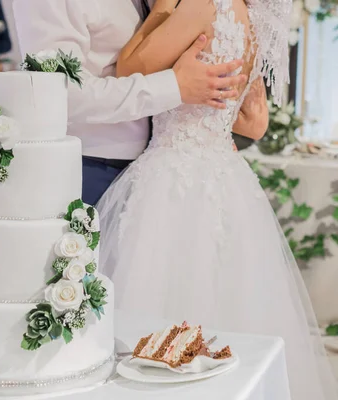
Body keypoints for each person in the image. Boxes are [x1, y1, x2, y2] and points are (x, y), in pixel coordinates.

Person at [94, 0, 337, 398]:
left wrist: (159, 13)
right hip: (225, 171)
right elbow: (254, 123)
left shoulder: (197, 5)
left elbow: (126, 72)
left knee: (158, 312)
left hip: (175, 175)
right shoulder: (247, 14)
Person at [14, 0, 245, 206]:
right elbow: (63, 93)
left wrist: (209, 133)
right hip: (88, 171)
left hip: (158, 171)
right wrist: (173, 87)